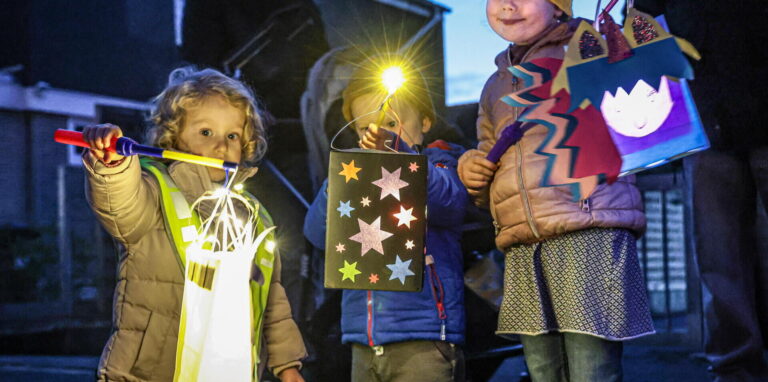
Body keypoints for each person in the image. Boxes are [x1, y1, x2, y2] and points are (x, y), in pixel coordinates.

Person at [457, 0, 654, 380]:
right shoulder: (495, 85)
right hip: (523, 242)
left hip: (588, 229)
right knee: (543, 368)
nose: (508, 5)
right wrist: (473, 169)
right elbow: (488, 158)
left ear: (559, 7)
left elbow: (638, 112)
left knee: (591, 366)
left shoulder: (589, 48)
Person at [82, 67, 307, 382]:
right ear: (173, 137)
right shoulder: (153, 192)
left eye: (233, 136)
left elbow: (272, 300)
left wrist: (287, 365)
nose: (221, 146)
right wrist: (112, 166)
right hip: (149, 372)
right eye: (206, 132)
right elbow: (118, 203)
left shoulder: (254, 216)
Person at [303, 56, 469, 382]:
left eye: (391, 124)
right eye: (366, 127)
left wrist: (403, 157)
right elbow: (316, 232)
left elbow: (450, 203)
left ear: (424, 122)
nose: (379, 134)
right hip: (362, 339)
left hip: (424, 338)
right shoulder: (355, 177)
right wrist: (337, 183)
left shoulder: (439, 162)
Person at [632, 1, 768, 381]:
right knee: (718, 256)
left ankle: (735, 364)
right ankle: (734, 368)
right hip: (702, 121)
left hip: (712, 113)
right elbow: (640, 26)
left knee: (721, 258)